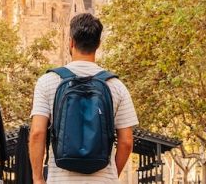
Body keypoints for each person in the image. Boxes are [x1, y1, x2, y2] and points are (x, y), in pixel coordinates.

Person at [29, 13, 139, 183]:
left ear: (71, 42)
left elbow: (37, 133)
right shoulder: (116, 86)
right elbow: (126, 141)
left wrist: (37, 179)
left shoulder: (48, 81)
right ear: (98, 44)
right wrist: (110, 175)